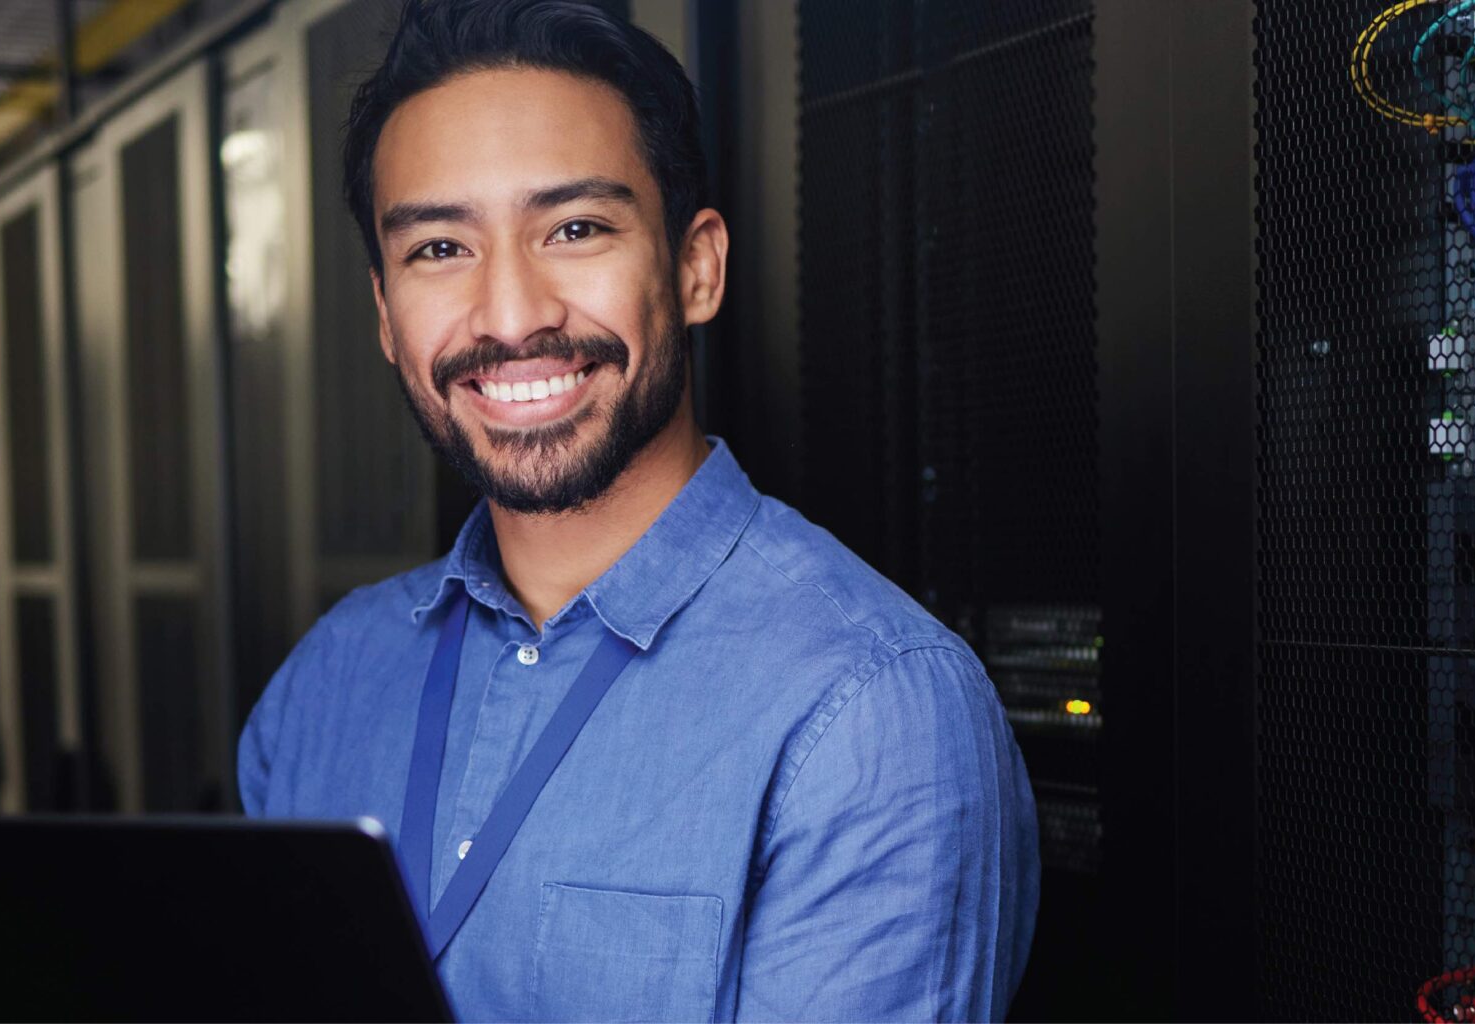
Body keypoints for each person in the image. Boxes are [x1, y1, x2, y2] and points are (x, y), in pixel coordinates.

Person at [235, 1, 1041, 1018]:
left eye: (575, 228)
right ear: (386, 316)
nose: (512, 314)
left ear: (694, 267)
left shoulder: (870, 709)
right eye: (440, 248)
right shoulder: (321, 687)